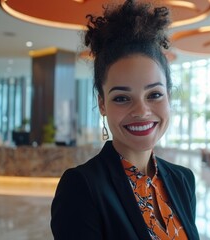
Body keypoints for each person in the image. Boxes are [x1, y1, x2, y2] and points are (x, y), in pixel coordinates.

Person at [50, 0, 200, 239]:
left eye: (154, 94)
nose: (141, 111)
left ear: (168, 97)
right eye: (122, 98)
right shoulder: (81, 188)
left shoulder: (183, 180)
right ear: (102, 104)